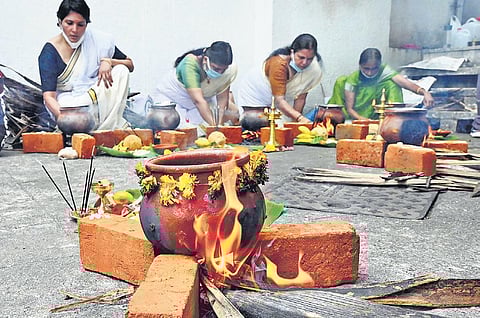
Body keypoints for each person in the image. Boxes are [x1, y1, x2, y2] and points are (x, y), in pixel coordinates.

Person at [38, 0, 134, 131]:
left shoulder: (98, 40)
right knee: (70, 105)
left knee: (121, 71)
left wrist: (108, 61)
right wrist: (66, 118)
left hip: (97, 97)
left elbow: (130, 65)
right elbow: (49, 97)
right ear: (60, 22)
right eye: (69, 23)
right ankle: (91, 126)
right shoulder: (50, 51)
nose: (74, 30)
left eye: (80, 24)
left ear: (86, 24)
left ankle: (107, 127)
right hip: (70, 104)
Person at [236, 33, 323, 130]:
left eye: (309, 59)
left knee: (284, 130)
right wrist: (299, 118)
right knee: (258, 126)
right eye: (301, 57)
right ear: (292, 52)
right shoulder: (278, 64)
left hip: (282, 101)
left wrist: (295, 123)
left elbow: (301, 97)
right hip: (257, 97)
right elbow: (279, 101)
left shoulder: (313, 69)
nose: (305, 63)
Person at [150, 41, 239, 130]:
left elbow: (222, 99)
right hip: (173, 101)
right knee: (176, 129)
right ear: (205, 60)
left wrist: (218, 123)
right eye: (216, 68)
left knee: (230, 115)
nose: (220, 73)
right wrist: (215, 128)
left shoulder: (229, 69)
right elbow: (198, 101)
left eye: (223, 70)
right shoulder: (189, 64)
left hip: (201, 102)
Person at [328, 47, 434, 120]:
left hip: (376, 114)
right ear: (360, 65)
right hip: (355, 117)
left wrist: (424, 92)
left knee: (392, 83)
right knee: (341, 80)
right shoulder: (352, 79)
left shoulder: (384, 71)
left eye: (374, 69)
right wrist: (364, 120)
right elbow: (350, 109)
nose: (370, 73)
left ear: (379, 66)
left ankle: (395, 120)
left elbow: (405, 83)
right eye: (366, 69)